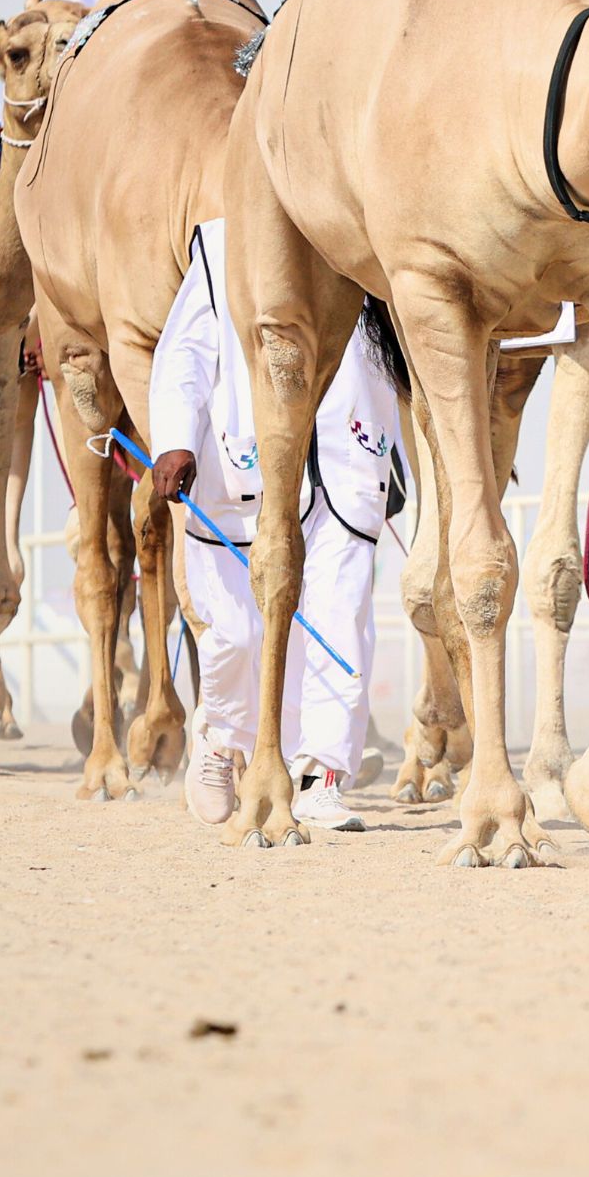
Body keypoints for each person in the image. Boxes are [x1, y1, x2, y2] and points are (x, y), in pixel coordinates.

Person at [148, 220, 401, 833]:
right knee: (234, 633)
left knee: (340, 626)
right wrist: (177, 440)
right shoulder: (221, 244)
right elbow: (184, 351)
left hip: (345, 459)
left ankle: (320, 775)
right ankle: (223, 739)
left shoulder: (372, 228)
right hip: (244, 466)